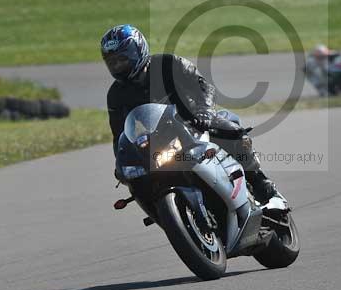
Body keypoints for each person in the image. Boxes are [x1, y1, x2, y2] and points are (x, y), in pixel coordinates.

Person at [101, 24, 282, 204]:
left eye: (122, 59)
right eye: (113, 62)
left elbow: (204, 86)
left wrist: (204, 113)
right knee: (137, 181)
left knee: (234, 132)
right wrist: (122, 162)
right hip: (158, 142)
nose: (118, 66)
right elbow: (120, 135)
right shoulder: (116, 95)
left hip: (194, 123)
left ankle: (260, 182)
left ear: (137, 50)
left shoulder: (168, 64)